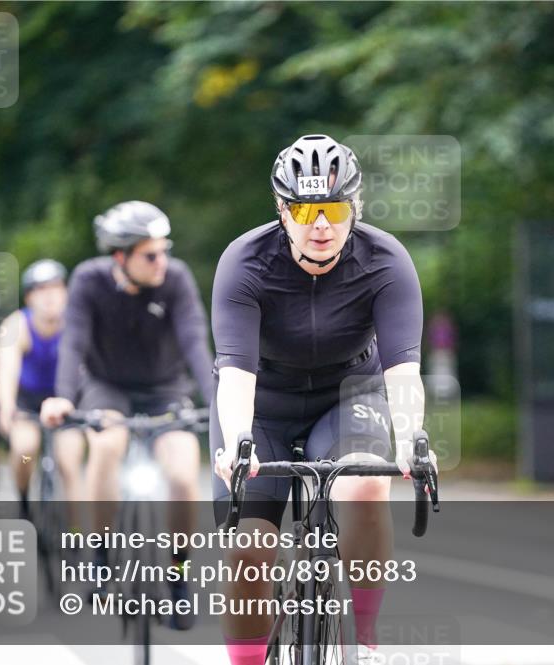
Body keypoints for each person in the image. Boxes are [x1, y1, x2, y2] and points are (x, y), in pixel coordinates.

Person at [210, 134, 437, 664]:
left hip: (348, 395)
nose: (320, 226)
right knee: (249, 550)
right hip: (261, 405)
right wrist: (238, 441)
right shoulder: (244, 261)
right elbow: (235, 373)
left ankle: (365, 640)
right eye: (304, 210)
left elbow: (403, 370)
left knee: (366, 485)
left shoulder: (386, 260)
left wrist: (410, 438)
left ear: (355, 207)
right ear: (281, 211)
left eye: (333, 209)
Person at [39, 200, 215, 630]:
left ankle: (178, 574)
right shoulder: (88, 280)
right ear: (120, 257)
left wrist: (217, 400)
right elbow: (73, 342)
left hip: (165, 389)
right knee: (106, 445)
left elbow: (196, 343)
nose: (161, 261)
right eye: (150, 255)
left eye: (164, 251)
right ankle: (100, 555)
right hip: (107, 387)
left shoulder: (175, 279)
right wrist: (62, 397)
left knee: (183, 474)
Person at [0, 259, 85, 522]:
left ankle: (77, 531)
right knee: (25, 451)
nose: (49, 296)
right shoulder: (17, 325)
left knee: (69, 461)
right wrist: (6, 406)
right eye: (41, 290)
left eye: (55, 288)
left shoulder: (76, 323)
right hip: (28, 403)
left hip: (65, 400)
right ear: (29, 297)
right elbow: (6, 370)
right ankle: (24, 498)